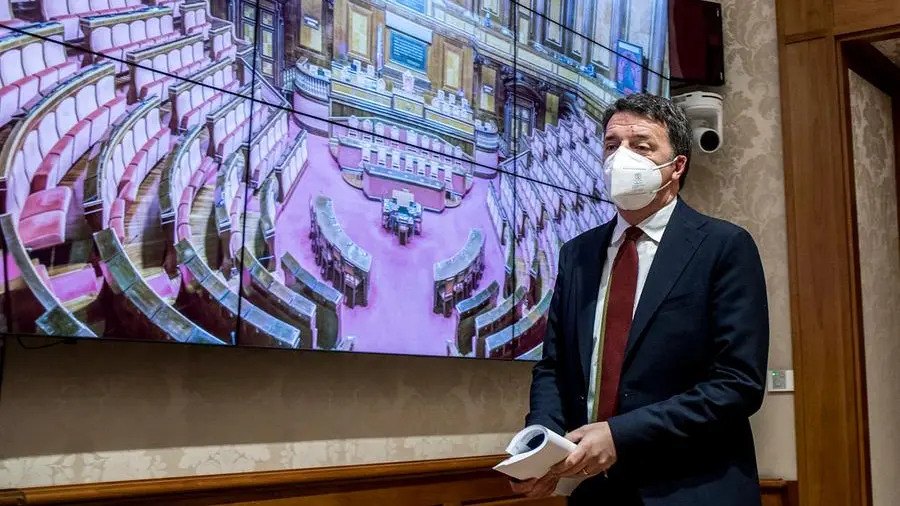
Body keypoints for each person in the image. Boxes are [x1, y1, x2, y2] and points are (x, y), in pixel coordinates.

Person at [511, 93, 769, 506]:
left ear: (676, 166)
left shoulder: (724, 246)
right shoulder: (577, 254)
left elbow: (737, 385)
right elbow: (554, 367)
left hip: (694, 490)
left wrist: (620, 435)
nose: (621, 158)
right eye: (612, 145)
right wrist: (542, 441)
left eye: (641, 146)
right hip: (597, 493)